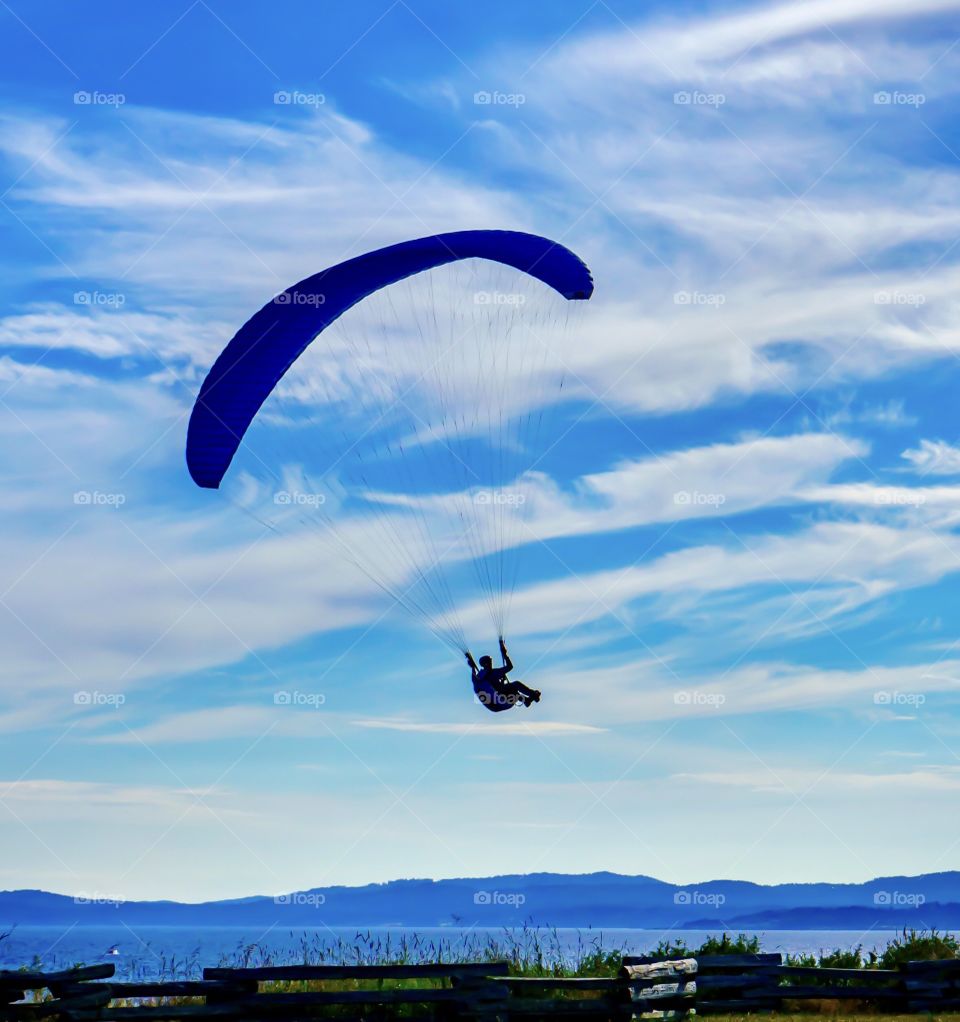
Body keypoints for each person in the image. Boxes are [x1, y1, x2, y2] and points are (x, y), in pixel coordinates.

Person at [466, 637, 540, 712]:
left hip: (499, 704)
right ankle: (532, 695)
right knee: (516, 685)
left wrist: (472, 667)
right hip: (500, 701)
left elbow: (475, 681)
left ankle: (526, 700)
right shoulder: (489, 674)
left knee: (515, 693)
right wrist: (505, 655)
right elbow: (509, 667)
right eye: (490, 662)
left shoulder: (483, 675)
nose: (491, 663)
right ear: (486, 664)